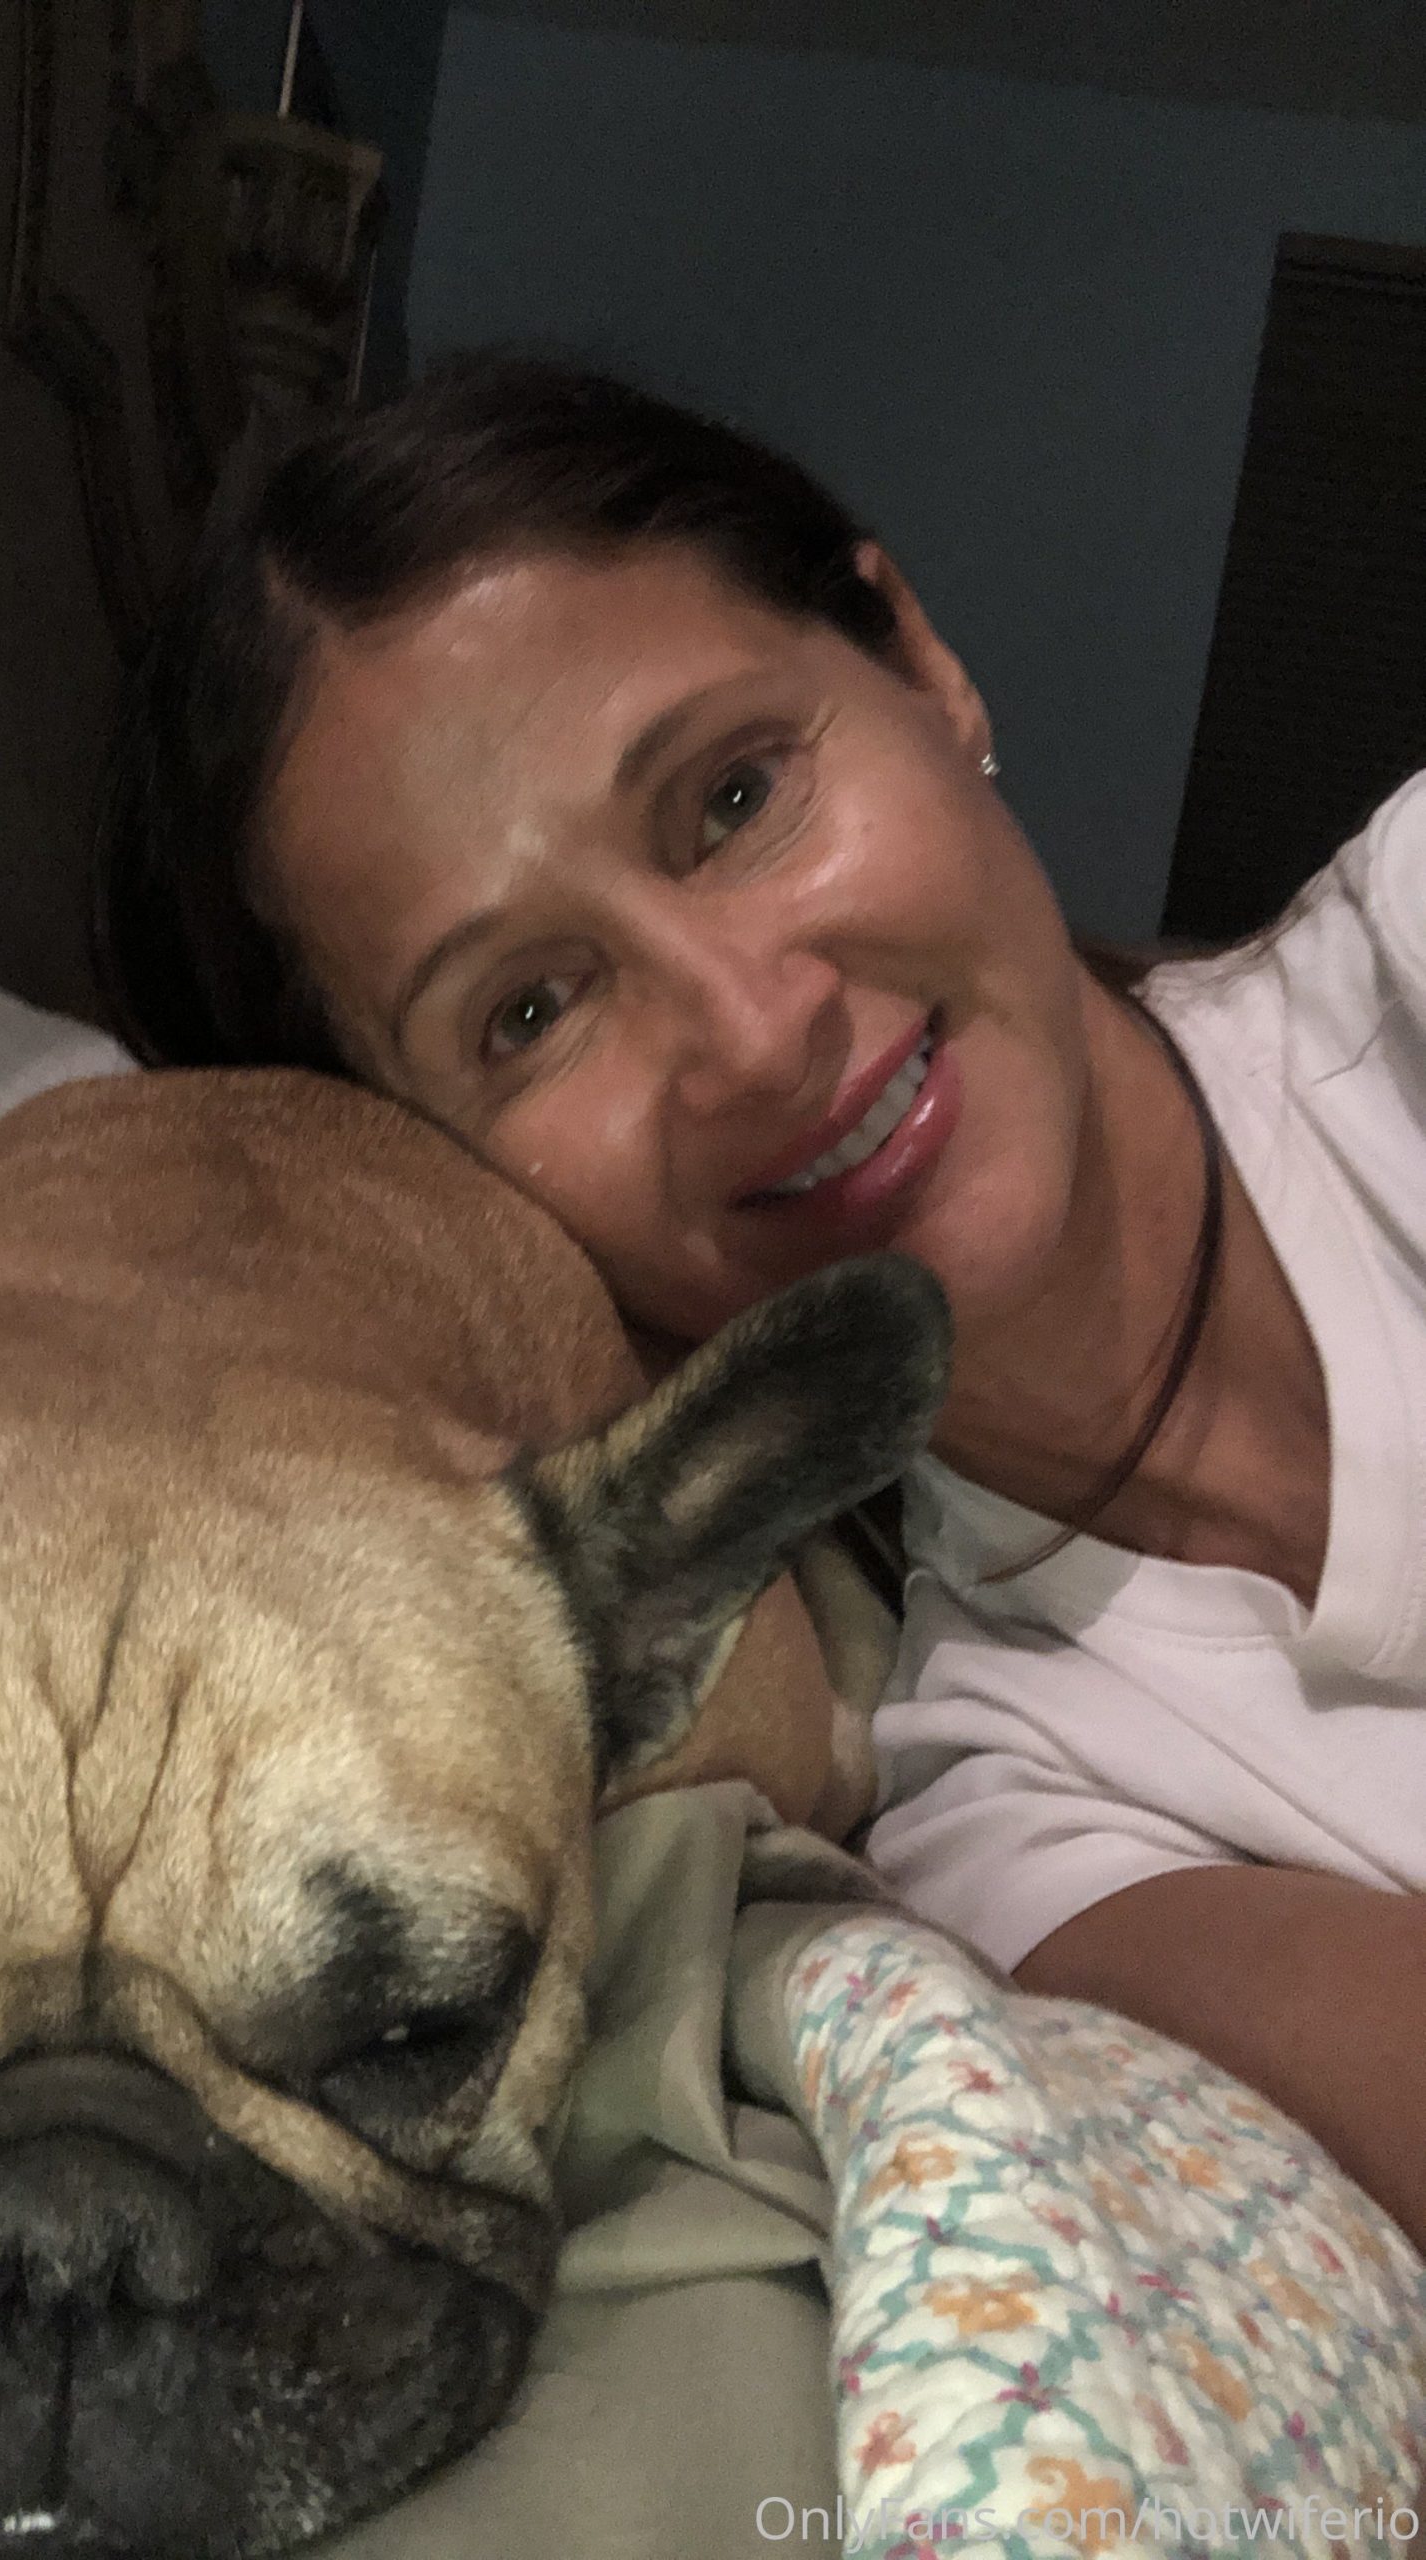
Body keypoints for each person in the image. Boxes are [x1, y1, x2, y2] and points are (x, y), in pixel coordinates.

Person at [99, 354, 1426, 2250]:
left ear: (921, 666)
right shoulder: (1021, 1828)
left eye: (734, 796)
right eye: (528, 1013)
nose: (752, 1032)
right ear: (461, 1199)